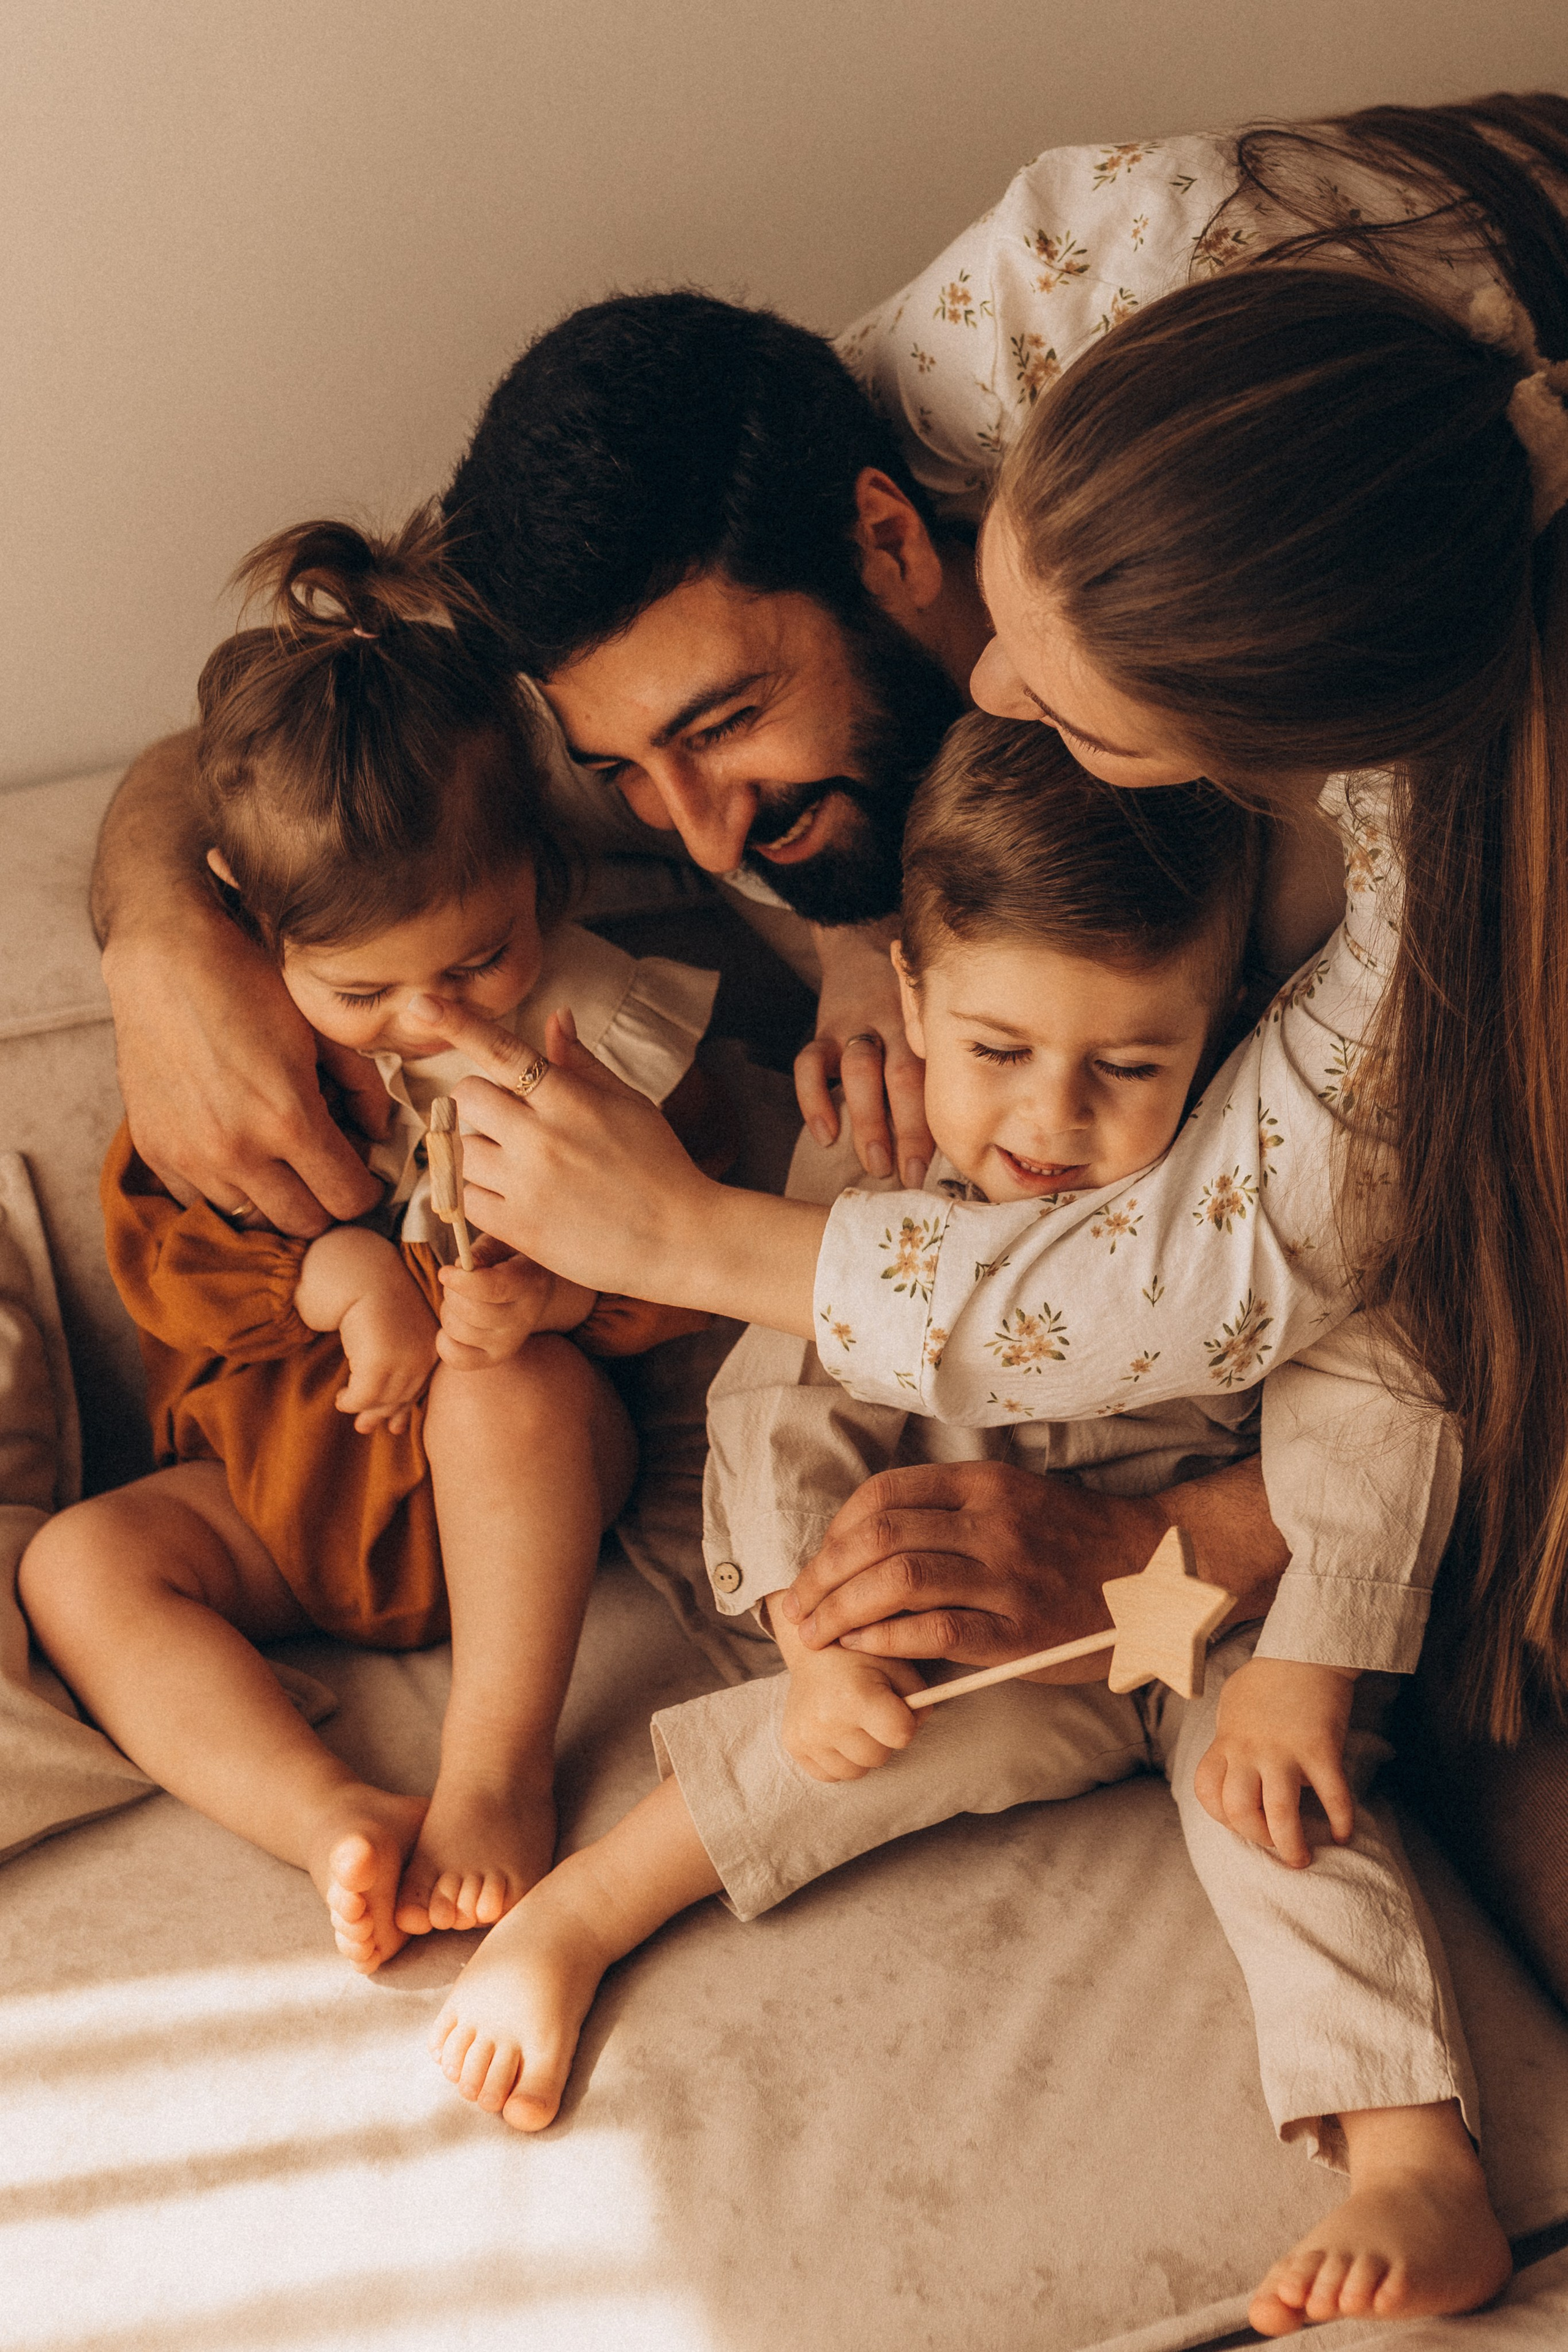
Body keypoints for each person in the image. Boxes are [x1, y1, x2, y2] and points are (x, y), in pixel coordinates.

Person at [404, 104, 1568, 2022]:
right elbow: (358, 716)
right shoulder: (1053, 314)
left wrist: (692, 1240)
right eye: (633, 775)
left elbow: (1283, 1278)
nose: (698, 839)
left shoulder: (1441, 832)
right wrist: (174, 909)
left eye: (1083, 719)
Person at [422, 719, 1506, 2335]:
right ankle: (583, 1911)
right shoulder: (876, 1154)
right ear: (912, 1001)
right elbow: (782, 1406)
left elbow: (1369, 1394)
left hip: (1212, 1614)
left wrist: (1316, 1663)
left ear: (1214, 1029)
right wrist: (809, 1637)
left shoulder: (1252, 1176)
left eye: (1125, 1068)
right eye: (997, 1049)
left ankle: (1415, 2161)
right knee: (869, 1729)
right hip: (993, 1635)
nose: (1050, 1117)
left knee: (1288, 1808)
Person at [18, 513, 731, 1974]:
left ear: (541, 875)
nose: (432, 1019)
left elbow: (691, 1253)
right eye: (365, 990)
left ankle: (493, 1770)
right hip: (277, 1498)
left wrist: (561, 1297)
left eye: (478, 958)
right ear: (255, 928)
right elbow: (161, 1253)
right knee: (76, 1568)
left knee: (510, 1390)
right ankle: (325, 1814)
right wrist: (329, 1277)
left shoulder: (593, 1039)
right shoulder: (250, 1062)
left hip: (516, 1491)